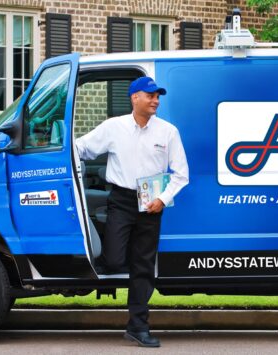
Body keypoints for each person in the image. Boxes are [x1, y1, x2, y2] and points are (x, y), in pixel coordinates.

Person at [74, 76, 189, 348]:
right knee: (113, 260)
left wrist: (162, 198)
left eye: (158, 96)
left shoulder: (168, 132)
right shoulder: (113, 127)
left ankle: (138, 326)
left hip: (152, 204)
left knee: (143, 268)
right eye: (150, 95)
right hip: (122, 201)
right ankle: (133, 275)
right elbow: (81, 148)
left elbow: (181, 175)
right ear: (134, 97)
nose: (156, 100)